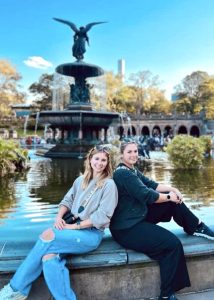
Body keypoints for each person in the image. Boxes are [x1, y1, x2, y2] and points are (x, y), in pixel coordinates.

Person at [0, 146, 118, 300]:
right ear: (90, 160)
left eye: (104, 160)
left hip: (90, 234)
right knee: (49, 258)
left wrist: (73, 226)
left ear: (107, 163)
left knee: (48, 235)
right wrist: (58, 218)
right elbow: (66, 201)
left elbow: (102, 217)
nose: (100, 163)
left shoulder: (109, 185)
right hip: (72, 230)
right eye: (97, 159)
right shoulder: (80, 180)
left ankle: (16, 289)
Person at [110, 141, 214, 300]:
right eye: (129, 152)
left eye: (135, 151)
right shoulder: (122, 173)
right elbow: (147, 195)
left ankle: (197, 226)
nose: (133, 155)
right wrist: (168, 196)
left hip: (136, 216)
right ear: (122, 154)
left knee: (173, 203)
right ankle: (166, 295)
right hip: (127, 228)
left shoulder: (131, 170)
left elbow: (152, 185)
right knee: (172, 244)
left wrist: (172, 190)